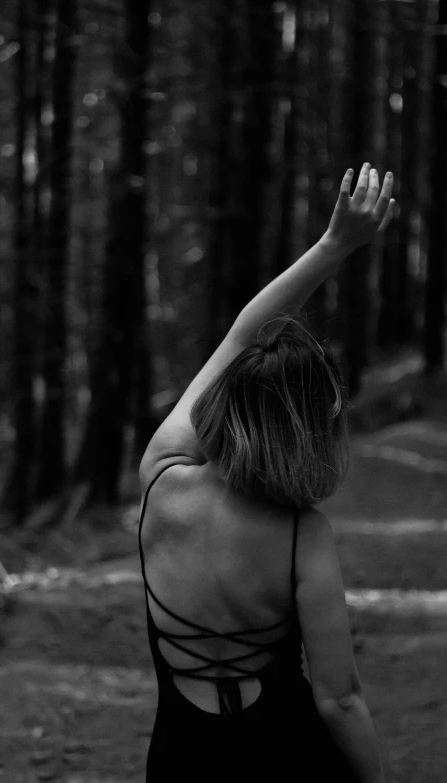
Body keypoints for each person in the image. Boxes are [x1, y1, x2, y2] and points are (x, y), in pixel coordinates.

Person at [138, 162, 394, 782]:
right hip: (284, 757)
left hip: (179, 760)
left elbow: (239, 337)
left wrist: (333, 245)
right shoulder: (302, 532)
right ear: (311, 427)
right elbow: (338, 699)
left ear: (226, 400)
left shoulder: (159, 482)